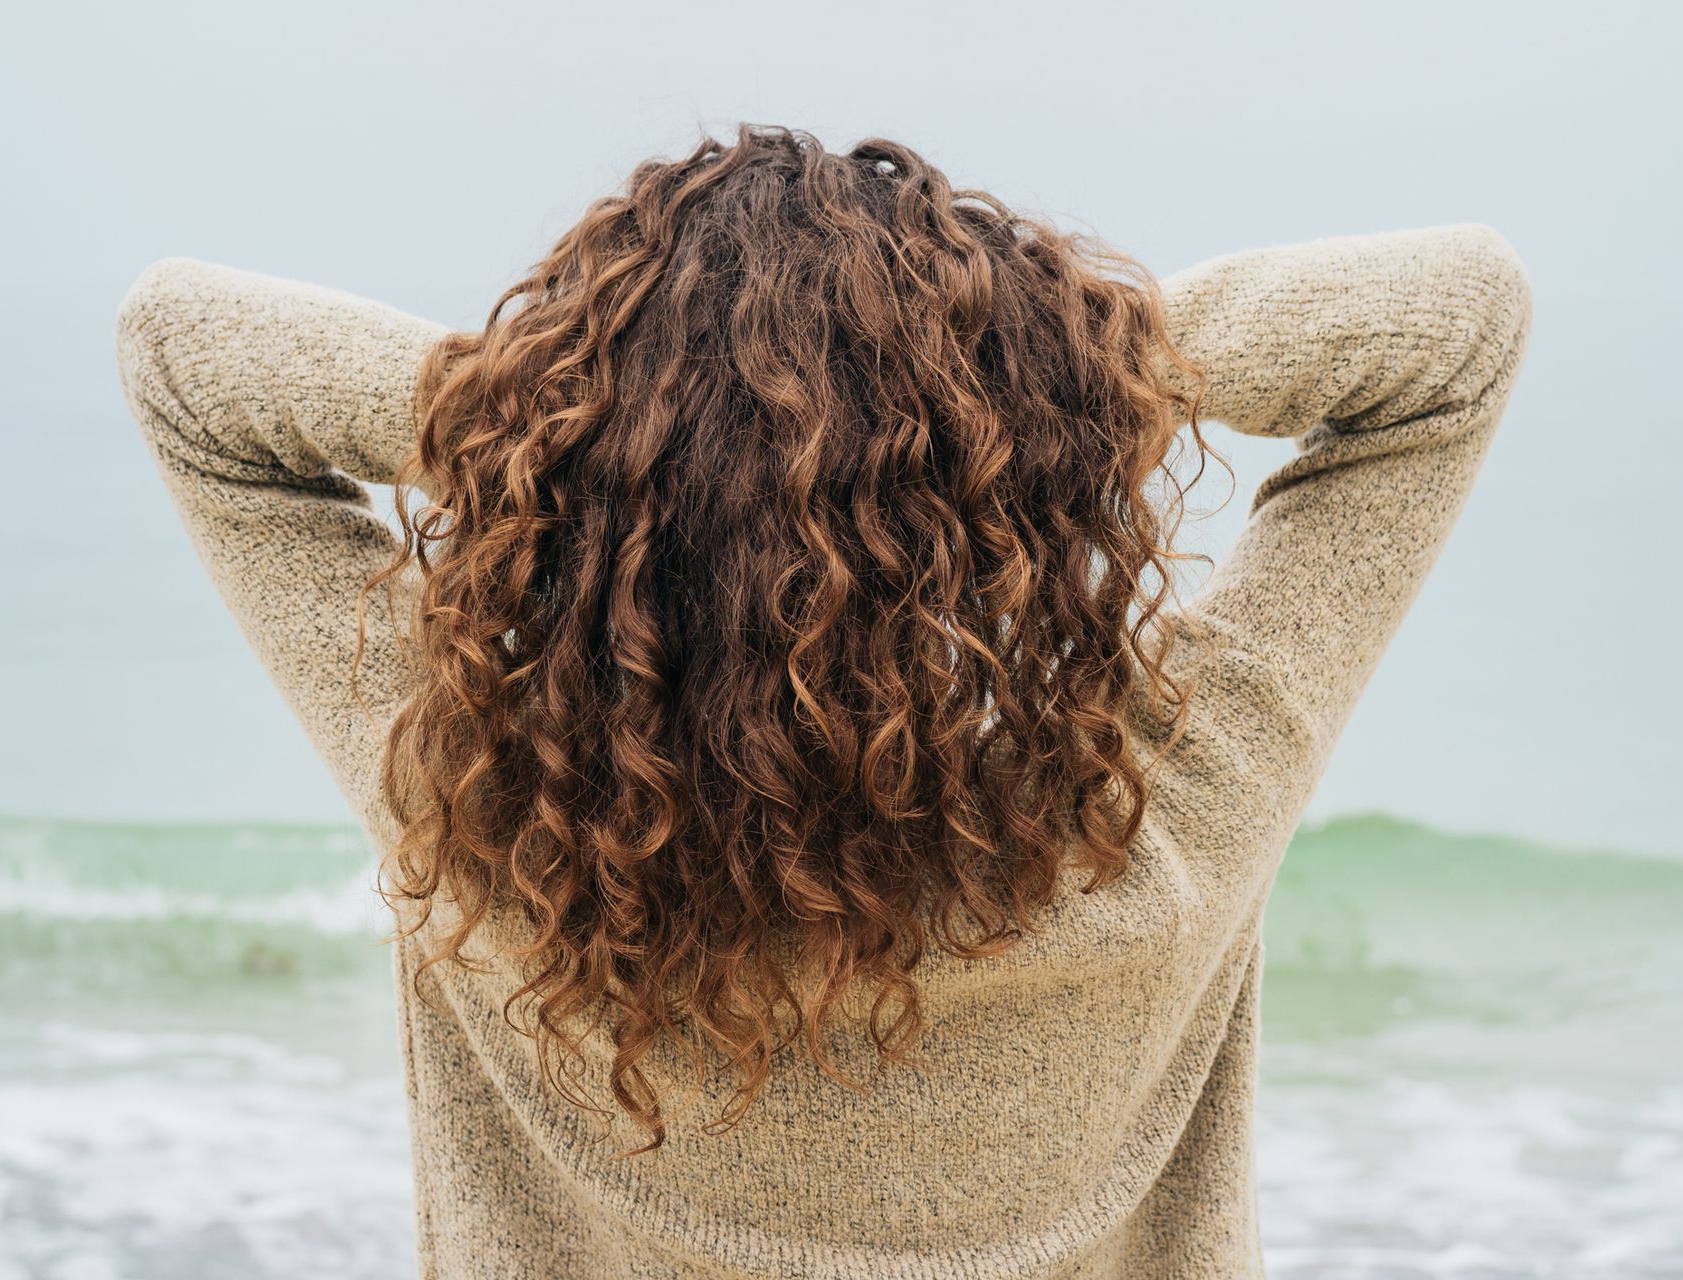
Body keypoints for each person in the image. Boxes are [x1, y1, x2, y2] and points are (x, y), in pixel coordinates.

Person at [113, 123, 1531, 1279]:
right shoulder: (1160, 846)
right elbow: (1459, 324)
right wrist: (1034, 385)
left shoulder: (496, 836)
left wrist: (575, 422)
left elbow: (184, 356)